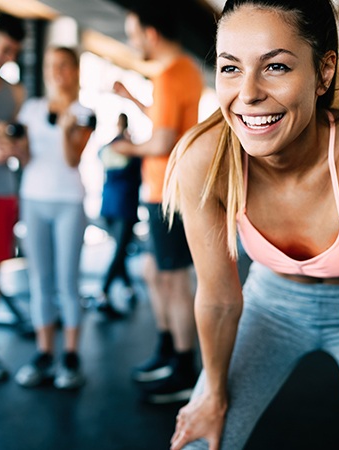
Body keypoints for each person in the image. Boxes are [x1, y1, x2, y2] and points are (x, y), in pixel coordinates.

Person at [163, 0, 339, 449]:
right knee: (197, 441)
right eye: (230, 68)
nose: (247, 93)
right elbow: (217, 299)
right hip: (270, 305)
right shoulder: (203, 159)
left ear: (324, 71)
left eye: (274, 67)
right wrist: (212, 396)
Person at [111, 2, 203, 403]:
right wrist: (132, 97)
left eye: (132, 32)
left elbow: (163, 141)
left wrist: (125, 148)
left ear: (150, 32)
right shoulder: (182, 71)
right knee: (155, 272)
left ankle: (184, 369)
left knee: (175, 280)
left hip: (168, 192)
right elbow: (166, 123)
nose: (131, 40)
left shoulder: (169, 75)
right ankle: (169, 352)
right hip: (164, 191)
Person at [14, 47, 94, 390]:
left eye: (63, 65)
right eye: (50, 66)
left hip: (68, 202)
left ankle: (71, 356)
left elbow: (73, 160)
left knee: (66, 281)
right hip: (33, 198)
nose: (56, 72)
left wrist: (64, 130)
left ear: (74, 70)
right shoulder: (31, 109)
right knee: (39, 280)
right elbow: (25, 155)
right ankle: (45, 352)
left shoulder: (84, 113)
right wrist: (12, 142)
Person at [0, 12, 27, 382]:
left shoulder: (12, 92)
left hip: (3, 191)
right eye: (4, 49)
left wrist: (13, 146)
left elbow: (20, 142)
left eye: (13, 53)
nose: (8, 58)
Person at [96, 112, 141, 318]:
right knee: (120, 251)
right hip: (124, 205)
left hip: (109, 204)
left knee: (120, 249)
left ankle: (128, 288)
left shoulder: (107, 147)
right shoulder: (130, 148)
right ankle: (103, 292)